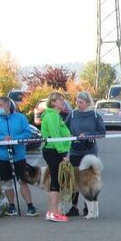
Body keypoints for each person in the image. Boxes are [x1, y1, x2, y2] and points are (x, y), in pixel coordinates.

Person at [0, 98, 38, 217]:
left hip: (19, 156)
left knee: (23, 181)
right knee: (7, 182)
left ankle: (30, 206)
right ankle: (11, 206)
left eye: (0, 105)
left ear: (8, 105)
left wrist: (14, 138)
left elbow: (27, 133)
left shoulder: (20, 118)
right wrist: (1, 139)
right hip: (3, 157)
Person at [66, 91, 106, 217]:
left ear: (88, 103)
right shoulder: (72, 114)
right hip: (75, 151)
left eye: (81, 102)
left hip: (89, 151)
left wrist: (87, 135)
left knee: (88, 180)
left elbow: (102, 132)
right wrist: (70, 136)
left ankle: (89, 207)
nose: (78, 104)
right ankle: (74, 207)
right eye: (77, 102)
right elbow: (64, 128)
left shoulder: (95, 115)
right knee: (74, 179)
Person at [39, 91, 73, 223]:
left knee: (56, 180)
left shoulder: (56, 116)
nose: (62, 101)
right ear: (53, 102)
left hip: (55, 150)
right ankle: (53, 212)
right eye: (60, 99)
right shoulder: (52, 116)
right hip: (53, 151)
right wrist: (63, 154)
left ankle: (52, 211)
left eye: (62, 99)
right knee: (56, 181)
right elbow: (55, 136)